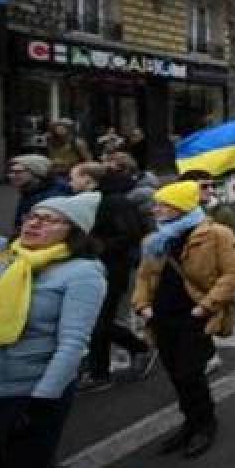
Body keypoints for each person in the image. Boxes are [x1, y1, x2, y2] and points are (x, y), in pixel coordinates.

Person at [0, 192, 130, 468]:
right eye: (32, 215)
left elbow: (72, 344)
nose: (33, 222)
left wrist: (41, 399)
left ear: (73, 231)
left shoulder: (83, 273)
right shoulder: (2, 255)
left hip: (29, 392)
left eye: (49, 219)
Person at [133, 180, 235, 459]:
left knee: (190, 373)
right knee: (174, 374)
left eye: (162, 205)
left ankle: (205, 425)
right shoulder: (154, 239)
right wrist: (142, 305)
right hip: (160, 317)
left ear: (181, 206)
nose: (155, 210)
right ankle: (189, 423)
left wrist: (205, 307)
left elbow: (232, 274)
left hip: (194, 316)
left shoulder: (216, 234)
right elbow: (144, 277)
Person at [69, 163, 153, 392]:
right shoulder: (92, 201)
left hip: (112, 268)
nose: (70, 183)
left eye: (73, 177)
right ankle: (104, 367)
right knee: (98, 320)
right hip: (96, 266)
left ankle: (104, 369)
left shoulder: (112, 201)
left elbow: (129, 235)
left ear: (88, 179)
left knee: (100, 321)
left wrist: (95, 246)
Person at [8, 154, 70, 232]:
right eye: (11, 172)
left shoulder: (52, 197)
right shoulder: (31, 190)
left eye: (18, 172)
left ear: (36, 172)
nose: (12, 176)